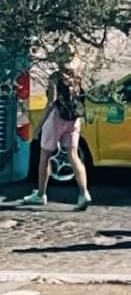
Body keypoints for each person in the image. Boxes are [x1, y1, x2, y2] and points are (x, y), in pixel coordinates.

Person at [20, 61, 92, 210]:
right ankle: (84, 193)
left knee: (45, 155)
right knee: (73, 155)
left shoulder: (56, 77)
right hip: (73, 120)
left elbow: (51, 102)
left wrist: (39, 126)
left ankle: (41, 194)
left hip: (57, 118)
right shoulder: (78, 77)